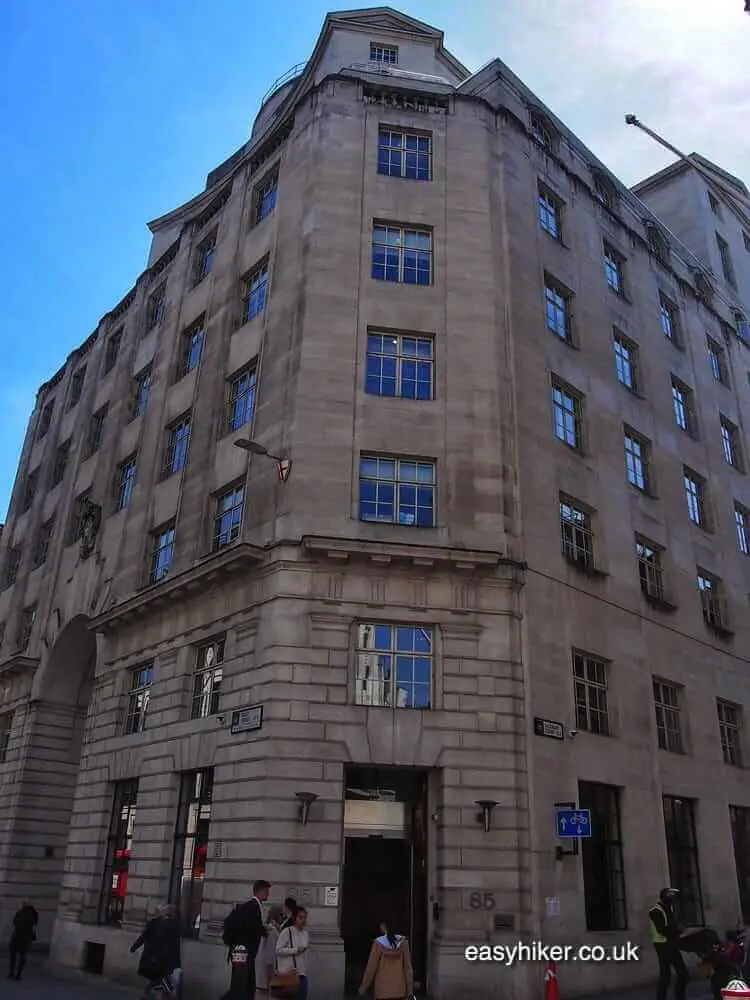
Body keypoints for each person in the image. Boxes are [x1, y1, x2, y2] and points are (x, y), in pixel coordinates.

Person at [223, 879, 271, 999]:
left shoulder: (250, 907)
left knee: (245, 985)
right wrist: (264, 931)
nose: (268, 894)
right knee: (242, 986)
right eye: (267, 891)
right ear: (261, 891)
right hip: (245, 953)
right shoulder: (252, 907)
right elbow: (252, 928)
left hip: (243, 952)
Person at [130, 903, 182, 998]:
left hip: (160, 959)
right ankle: (149, 994)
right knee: (162, 982)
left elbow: (147, 938)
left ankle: (146, 994)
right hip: (161, 959)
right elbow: (152, 939)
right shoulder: (161, 924)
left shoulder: (166, 924)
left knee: (160, 982)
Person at [649, 888, 688, 1000]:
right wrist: (677, 930)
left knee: (683, 973)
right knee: (665, 975)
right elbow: (662, 929)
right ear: (664, 898)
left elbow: (672, 925)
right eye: (671, 898)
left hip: (672, 943)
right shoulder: (655, 911)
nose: (673, 901)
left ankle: (680, 997)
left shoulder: (669, 909)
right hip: (662, 944)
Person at [358, 921, 414, 1000]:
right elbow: (408, 968)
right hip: (399, 990)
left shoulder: (378, 944)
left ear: (383, 926)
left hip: (382, 990)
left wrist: (363, 987)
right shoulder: (403, 943)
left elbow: (371, 968)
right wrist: (410, 991)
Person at [276, 906, 309, 1000]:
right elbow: (278, 949)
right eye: (300, 917)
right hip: (289, 972)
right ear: (295, 918)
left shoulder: (305, 934)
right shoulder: (287, 932)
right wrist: (294, 950)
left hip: (302, 972)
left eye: (305, 917)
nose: (303, 920)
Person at [256, 904, 284, 999]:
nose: (283, 918)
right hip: (268, 974)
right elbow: (270, 954)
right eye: (281, 915)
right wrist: (271, 976)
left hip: (268, 972)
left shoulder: (273, 929)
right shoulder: (272, 931)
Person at [7, 901, 38, 981]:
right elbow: (35, 924)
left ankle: (12, 972)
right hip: (26, 938)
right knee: (22, 956)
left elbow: (15, 922)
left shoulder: (20, 913)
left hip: (17, 936)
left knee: (13, 955)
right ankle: (18, 974)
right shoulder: (33, 913)